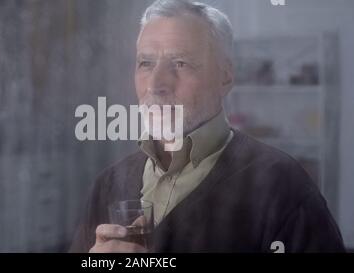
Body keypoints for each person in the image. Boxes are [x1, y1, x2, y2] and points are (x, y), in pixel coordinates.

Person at [69, 0, 345, 253]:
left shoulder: (283, 187)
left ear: (225, 77)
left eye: (180, 63)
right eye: (145, 63)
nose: (156, 84)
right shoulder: (107, 186)